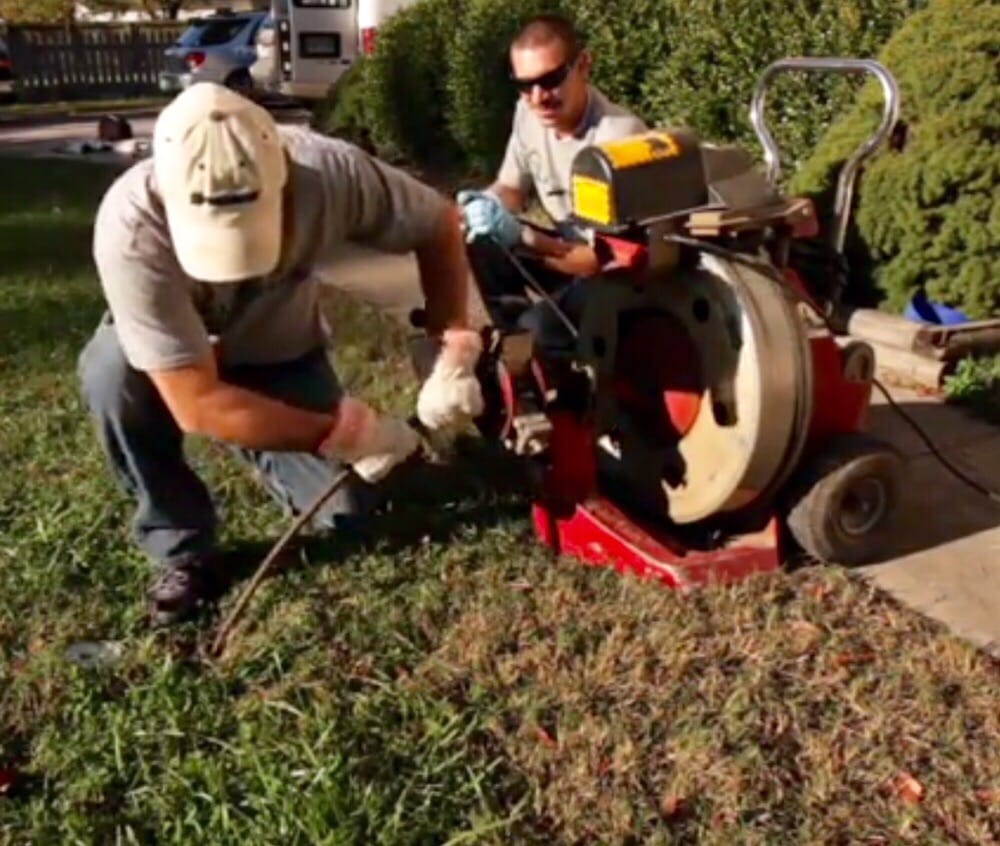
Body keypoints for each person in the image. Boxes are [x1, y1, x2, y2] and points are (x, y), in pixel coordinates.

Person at [78, 82, 484, 625]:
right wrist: (349, 433)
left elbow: (438, 223)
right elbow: (197, 403)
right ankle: (181, 547)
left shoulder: (331, 172)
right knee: (110, 375)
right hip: (180, 368)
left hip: (279, 355)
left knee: (350, 514)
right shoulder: (131, 228)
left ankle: (269, 433)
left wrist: (451, 340)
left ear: (284, 173)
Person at [457, 13, 648, 356]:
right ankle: (522, 360)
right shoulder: (527, 113)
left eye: (552, 79)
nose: (538, 97)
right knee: (481, 241)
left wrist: (524, 237)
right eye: (525, 85)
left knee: (539, 328)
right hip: (569, 255)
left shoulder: (616, 141)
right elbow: (511, 187)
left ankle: (563, 368)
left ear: (583, 66)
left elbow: (599, 262)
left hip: (620, 282)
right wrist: (487, 204)